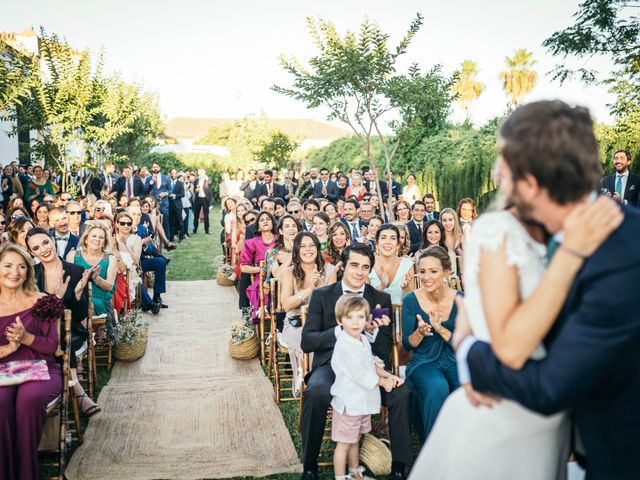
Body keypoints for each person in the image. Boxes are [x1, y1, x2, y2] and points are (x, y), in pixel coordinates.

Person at [436, 100, 637, 480]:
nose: (498, 176)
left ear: (529, 183)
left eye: (505, 168)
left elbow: (549, 387)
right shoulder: (536, 235)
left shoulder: (621, 256)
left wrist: (468, 351)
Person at [300, 243, 412, 480]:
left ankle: (400, 465)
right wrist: (343, 331)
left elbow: (384, 348)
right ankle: (310, 464)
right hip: (332, 364)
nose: (359, 272)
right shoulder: (322, 296)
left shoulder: (379, 299)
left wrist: (370, 332)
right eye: (354, 265)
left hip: (368, 365)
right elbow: (307, 342)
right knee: (316, 391)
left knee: (401, 393)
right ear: (343, 266)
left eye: (365, 267)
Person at [0, 244, 65, 480]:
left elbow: (52, 347)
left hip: (42, 369)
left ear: (28, 271)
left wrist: (26, 338)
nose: (14, 272)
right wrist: (9, 348)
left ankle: (27, 473)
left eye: (21, 266)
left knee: (29, 399)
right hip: (2, 371)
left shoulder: (43, 302)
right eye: (7, 265)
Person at [26, 228, 101, 419]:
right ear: (31, 253)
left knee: (61, 324)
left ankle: (74, 387)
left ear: (52, 240)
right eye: (36, 248)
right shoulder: (32, 276)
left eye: (45, 242)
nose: (43, 249)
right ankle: (76, 387)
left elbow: (81, 314)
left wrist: (77, 294)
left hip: (71, 330)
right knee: (55, 326)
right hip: (41, 332)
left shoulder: (75, 270)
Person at [331, 294, 404, 480]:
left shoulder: (360, 340)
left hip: (360, 402)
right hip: (349, 403)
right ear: (340, 320)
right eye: (350, 317)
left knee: (355, 439)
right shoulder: (345, 345)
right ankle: (340, 477)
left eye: (360, 317)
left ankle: (355, 473)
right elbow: (360, 374)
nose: (356, 323)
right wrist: (383, 383)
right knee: (344, 444)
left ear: (367, 319)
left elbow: (370, 363)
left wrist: (388, 375)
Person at [402, 246, 459, 444]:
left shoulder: (461, 300)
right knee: (437, 386)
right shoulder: (411, 300)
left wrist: (441, 330)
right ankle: (433, 449)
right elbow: (407, 345)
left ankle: (464, 446)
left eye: (433, 271)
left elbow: (465, 343)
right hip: (424, 362)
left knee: (465, 386)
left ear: (447, 272)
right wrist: (419, 333)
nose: (426, 277)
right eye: (423, 271)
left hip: (454, 360)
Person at [280, 231, 335, 396]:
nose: (308, 249)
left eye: (311, 245)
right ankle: (304, 374)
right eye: (303, 246)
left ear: (317, 248)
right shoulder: (290, 272)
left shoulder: (329, 270)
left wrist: (318, 288)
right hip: (296, 320)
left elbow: (330, 306)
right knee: (303, 336)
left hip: (322, 321)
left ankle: (318, 378)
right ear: (296, 250)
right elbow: (286, 305)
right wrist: (308, 289)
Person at [67, 223, 117, 316]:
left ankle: (85, 329)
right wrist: (84, 279)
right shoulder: (72, 255)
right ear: (86, 239)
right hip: (77, 295)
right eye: (94, 236)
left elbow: (110, 287)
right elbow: (69, 282)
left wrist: (96, 279)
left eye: (101, 237)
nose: (97, 239)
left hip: (99, 299)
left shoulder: (110, 259)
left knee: (89, 306)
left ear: (104, 242)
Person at [114, 212, 159, 314]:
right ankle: (149, 304)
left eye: (129, 224)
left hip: (131, 268)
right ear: (117, 224)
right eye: (122, 223)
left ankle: (146, 304)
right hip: (115, 266)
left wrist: (124, 246)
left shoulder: (136, 239)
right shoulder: (112, 238)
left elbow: (136, 260)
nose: (126, 226)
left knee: (131, 276)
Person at [128, 205, 169, 308]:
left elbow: (146, 250)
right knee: (134, 276)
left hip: (141, 260)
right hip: (129, 262)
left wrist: (145, 245)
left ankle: (157, 296)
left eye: (139, 214)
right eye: (133, 214)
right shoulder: (123, 227)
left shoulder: (142, 228)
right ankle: (150, 304)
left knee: (160, 262)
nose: (136, 217)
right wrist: (139, 243)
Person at [240, 211, 277, 319]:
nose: (265, 221)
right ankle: (264, 309)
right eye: (261, 220)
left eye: (268, 219)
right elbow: (243, 267)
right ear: (258, 226)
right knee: (263, 287)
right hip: (262, 278)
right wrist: (262, 269)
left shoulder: (280, 240)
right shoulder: (251, 243)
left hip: (281, 276)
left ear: (273, 224)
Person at [369, 224, 414, 304]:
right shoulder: (368, 263)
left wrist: (405, 288)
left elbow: (412, 303)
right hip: (374, 314)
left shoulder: (407, 265)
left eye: (392, 238)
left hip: (400, 315)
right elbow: (365, 300)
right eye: (383, 237)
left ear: (398, 245)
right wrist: (382, 286)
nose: (388, 242)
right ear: (376, 244)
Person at [440, 208, 464, 280]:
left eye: (450, 220)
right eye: (444, 220)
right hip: (443, 274)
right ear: (440, 221)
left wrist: (458, 250)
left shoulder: (460, 236)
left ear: (455, 221)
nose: (447, 223)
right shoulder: (438, 237)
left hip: (460, 273)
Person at [193, 168, 213, 234]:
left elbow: (210, 183)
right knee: (196, 215)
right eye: (200, 172)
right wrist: (195, 190)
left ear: (204, 172)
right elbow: (194, 189)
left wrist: (206, 179)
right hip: (198, 198)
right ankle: (195, 229)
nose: (201, 173)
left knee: (206, 215)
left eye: (202, 172)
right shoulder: (196, 180)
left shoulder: (208, 179)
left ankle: (207, 230)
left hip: (205, 198)